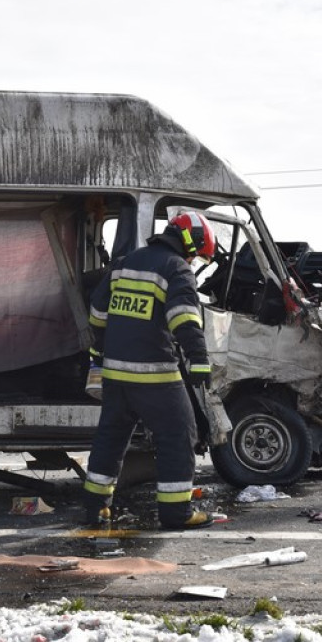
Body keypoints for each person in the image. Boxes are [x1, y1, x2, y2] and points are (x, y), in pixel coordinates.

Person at [82, 211, 218, 530]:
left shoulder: (125, 262)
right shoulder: (176, 268)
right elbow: (184, 317)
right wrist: (198, 358)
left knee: (110, 439)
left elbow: (98, 312)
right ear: (191, 243)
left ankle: (96, 509)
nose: (194, 259)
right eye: (197, 253)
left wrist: (100, 351)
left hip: (115, 375)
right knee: (178, 436)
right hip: (155, 375)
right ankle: (176, 514)